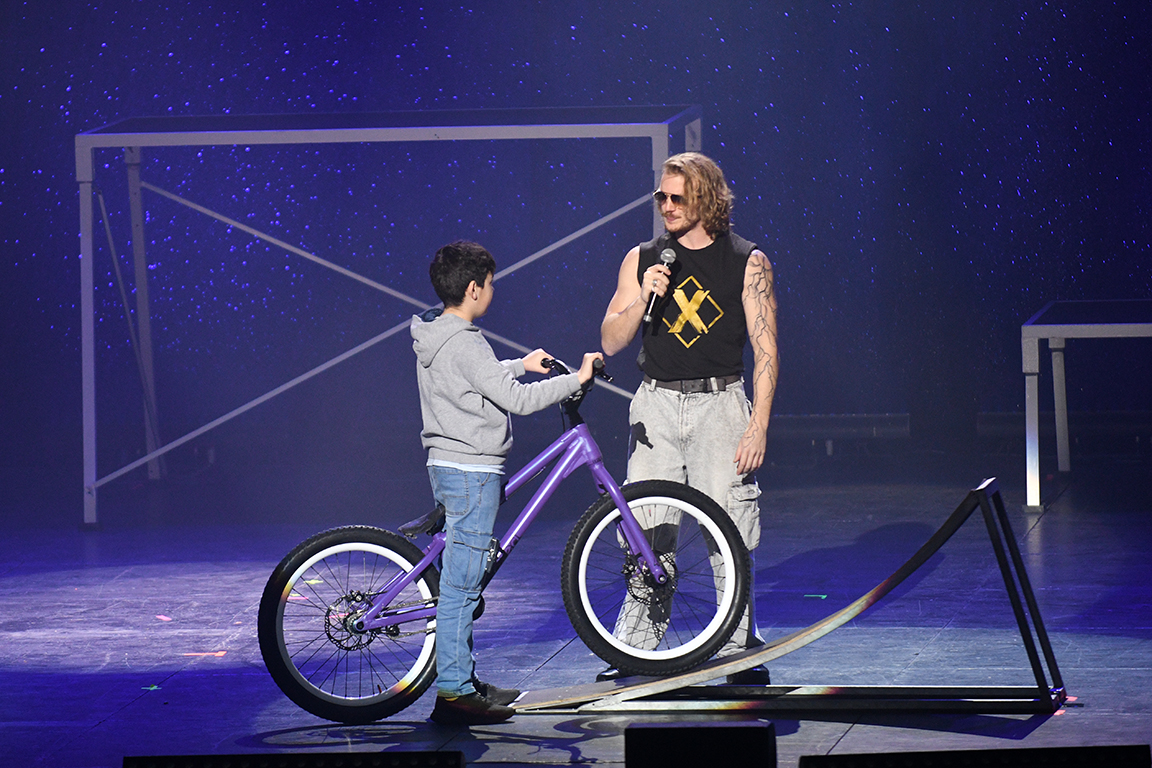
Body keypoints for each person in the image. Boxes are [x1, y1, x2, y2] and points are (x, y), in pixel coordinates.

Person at [600, 152, 779, 684]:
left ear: (706, 198)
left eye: (677, 197)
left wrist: (758, 425)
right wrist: (643, 297)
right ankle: (637, 651)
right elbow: (610, 340)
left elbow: (766, 351)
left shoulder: (747, 261)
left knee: (729, 527)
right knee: (647, 531)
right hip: (656, 405)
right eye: (661, 196)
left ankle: (737, 648)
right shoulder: (642, 258)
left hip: (719, 406)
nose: (667, 206)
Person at [412, 240, 603, 725]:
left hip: (451, 465)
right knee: (462, 586)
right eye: (491, 284)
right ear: (474, 288)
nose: (492, 291)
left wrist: (520, 364)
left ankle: (464, 677)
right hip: (471, 471)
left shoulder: (438, 334)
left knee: (464, 576)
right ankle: (454, 693)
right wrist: (576, 379)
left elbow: (472, 379)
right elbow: (515, 400)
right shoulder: (465, 340)